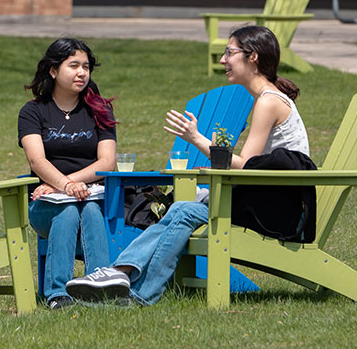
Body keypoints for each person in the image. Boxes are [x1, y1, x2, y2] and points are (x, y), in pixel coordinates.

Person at [65, 25, 314, 306]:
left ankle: (122, 276)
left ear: (252, 57)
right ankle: (131, 286)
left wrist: (196, 138)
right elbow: (251, 167)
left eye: (229, 53)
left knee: (184, 209)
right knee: (182, 209)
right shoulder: (266, 98)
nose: (223, 60)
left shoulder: (268, 101)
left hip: (278, 207)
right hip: (268, 197)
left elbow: (245, 166)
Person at [18, 37, 117, 310]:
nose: (82, 73)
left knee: (87, 209)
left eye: (86, 66)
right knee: (69, 210)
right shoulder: (33, 112)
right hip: (46, 203)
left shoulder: (99, 110)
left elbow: (107, 162)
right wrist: (62, 186)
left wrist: (69, 184)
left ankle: (99, 287)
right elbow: (37, 161)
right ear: (53, 70)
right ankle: (58, 292)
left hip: (92, 197)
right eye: (73, 65)